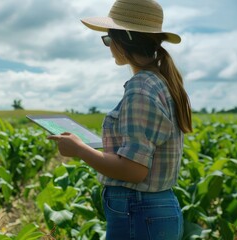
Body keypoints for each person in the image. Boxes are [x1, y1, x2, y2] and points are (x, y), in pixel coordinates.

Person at [47, 0, 192, 239]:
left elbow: (134, 170)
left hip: (138, 210)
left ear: (124, 39)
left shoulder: (140, 88)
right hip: (149, 212)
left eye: (108, 39)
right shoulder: (159, 83)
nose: (108, 46)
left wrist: (80, 149)